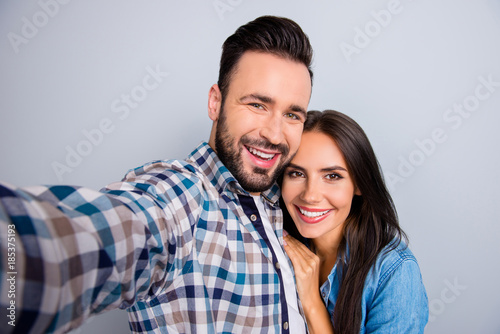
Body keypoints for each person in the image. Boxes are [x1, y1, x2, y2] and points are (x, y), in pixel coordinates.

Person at [0, 16, 313, 333]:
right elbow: (102, 237)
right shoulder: (182, 195)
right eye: (258, 104)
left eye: (291, 114)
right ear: (215, 103)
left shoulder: (290, 204)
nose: (275, 134)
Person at [280, 110, 429, 333]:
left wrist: (312, 302)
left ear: (359, 184)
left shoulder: (394, 272)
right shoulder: (276, 241)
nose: (310, 195)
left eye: (332, 176)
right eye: (296, 174)